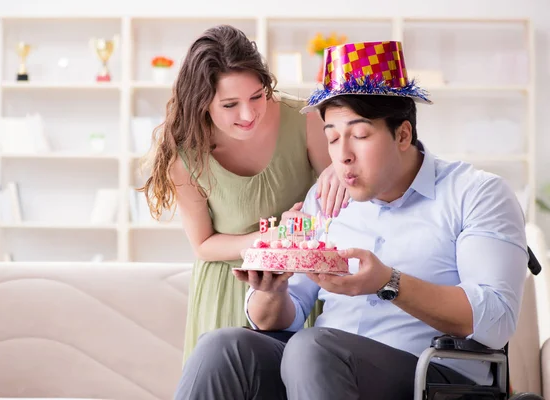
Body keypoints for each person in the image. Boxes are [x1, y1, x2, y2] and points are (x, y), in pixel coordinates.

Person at [173, 41, 529, 399]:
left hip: (430, 374)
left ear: (403, 134)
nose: (342, 156)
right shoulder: (326, 200)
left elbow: (495, 321)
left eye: (359, 136)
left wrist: (388, 283)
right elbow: (276, 318)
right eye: (332, 138)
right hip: (320, 366)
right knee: (222, 348)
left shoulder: (477, 194)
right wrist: (272, 291)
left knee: (313, 348)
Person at [140, 25, 349, 363]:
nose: (248, 114)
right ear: (202, 102)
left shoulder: (305, 121)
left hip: (297, 287)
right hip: (228, 287)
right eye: (230, 104)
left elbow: (338, 206)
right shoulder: (185, 155)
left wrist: (340, 175)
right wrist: (270, 240)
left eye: (257, 96)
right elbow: (203, 245)